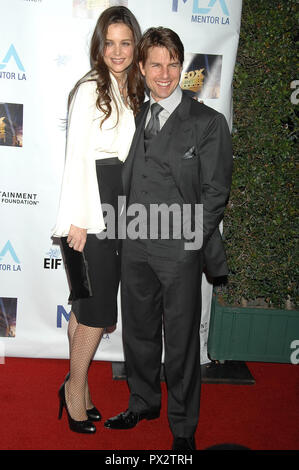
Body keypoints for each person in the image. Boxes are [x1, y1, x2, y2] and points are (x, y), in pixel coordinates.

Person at [104, 27, 233, 450]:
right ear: (141, 67)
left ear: (182, 66)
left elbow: (216, 192)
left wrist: (188, 243)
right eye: (155, 64)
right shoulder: (133, 114)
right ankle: (142, 401)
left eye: (172, 63)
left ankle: (182, 429)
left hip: (179, 251)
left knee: (180, 343)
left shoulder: (207, 122)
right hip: (135, 243)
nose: (165, 73)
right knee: (138, 333)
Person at [52, 6, 144, 434]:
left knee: (86, 302)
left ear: (135, 45)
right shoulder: (91, 88)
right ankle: (74, 392)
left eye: (126, 42)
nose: (118, 51)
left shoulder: (131, 89)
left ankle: (79, 388)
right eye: (110, 42)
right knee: (95, 310)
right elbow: (77, 160)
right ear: (99, 45)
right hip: (92, 209)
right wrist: (76, 221)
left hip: (120, 205)